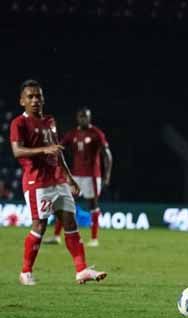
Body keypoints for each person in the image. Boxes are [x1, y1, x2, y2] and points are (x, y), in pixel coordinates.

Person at [9, 79, 107, 286]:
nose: (35, 100)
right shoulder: (19, 123)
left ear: (43, 99)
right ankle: (25, 272)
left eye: (38, 96)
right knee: (40, 225)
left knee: (71, 223)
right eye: (30, 96)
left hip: (58, 180)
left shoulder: (50, 121)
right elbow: (17, 151)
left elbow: (57, 153)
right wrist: (44, 150)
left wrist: (70, 178)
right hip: (37, 183)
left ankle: (81, 270)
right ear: (22, 101)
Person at [46, 107, 113, 247]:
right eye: (81, 116)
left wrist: (107, 175)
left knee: (93, 205)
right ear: (77, 118)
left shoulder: (96, 133)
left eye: (86, 116)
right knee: (65, 203)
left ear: (90, 118)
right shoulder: (73, 133)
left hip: (92, 176)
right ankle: (56, 236)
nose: (83, 119)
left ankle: (94, 239)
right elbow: (60, 147)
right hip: (75, 176)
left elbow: (107, 155)